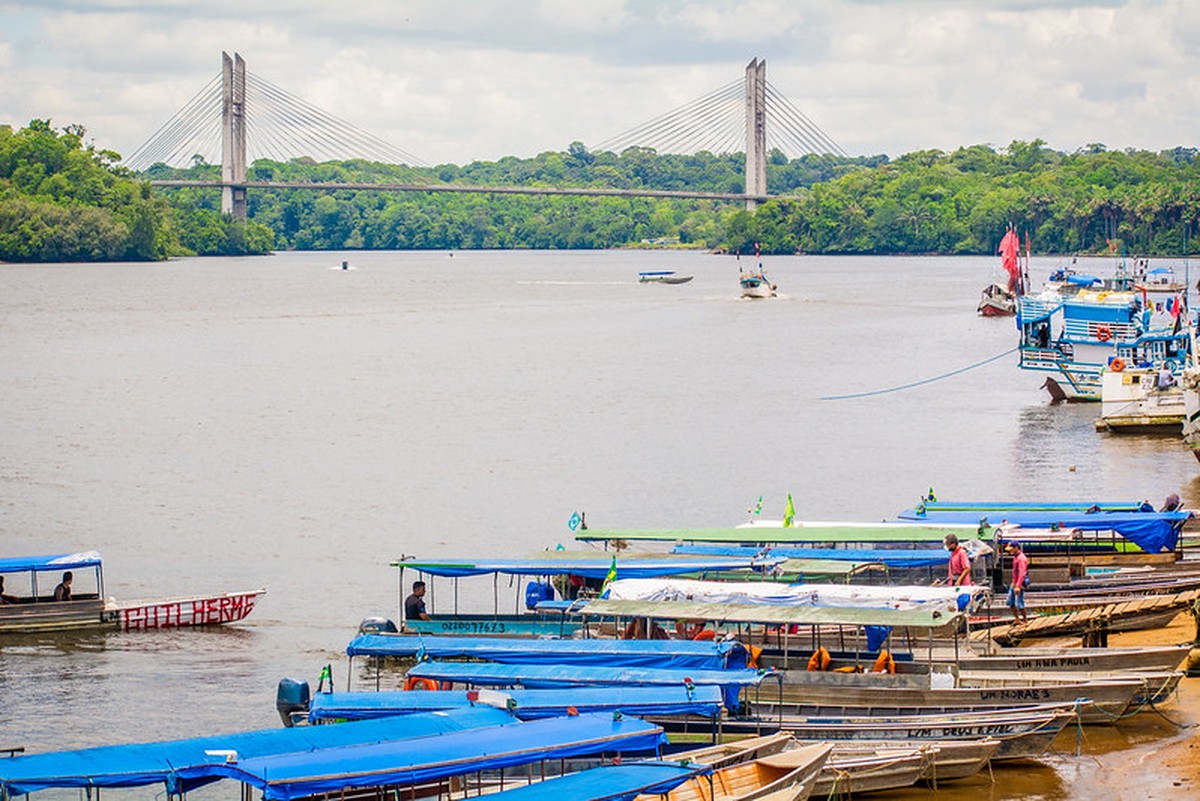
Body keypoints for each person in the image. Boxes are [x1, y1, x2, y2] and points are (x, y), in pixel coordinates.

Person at [1005, 541, 1030, 625]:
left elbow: (1022, 573)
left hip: (1019, 583)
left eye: (1011, 549)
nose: (1010, 551)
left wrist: (1018, 586)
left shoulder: (1021, 558)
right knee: (1010, 602)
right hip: (1014, 582)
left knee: (1019, 603)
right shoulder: (1016, 557)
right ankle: (1017, 619)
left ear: (1016, 548)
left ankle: (1025, 620)